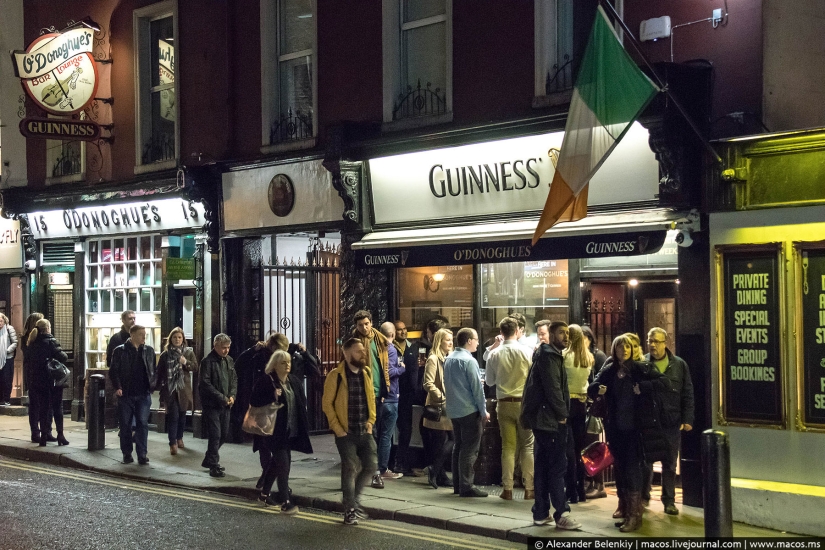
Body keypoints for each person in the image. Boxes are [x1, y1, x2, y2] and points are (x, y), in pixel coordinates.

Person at [588, 334, 672, 532]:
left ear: (633, 350)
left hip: (636, 430)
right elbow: (592, 387)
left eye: (627, 347)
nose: (624, 350)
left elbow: (665, 383)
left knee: (633, 470)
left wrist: (643, 387)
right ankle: (626, 511)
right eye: (620, 347)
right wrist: (597, 389)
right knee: (622, 470)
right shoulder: (610, 370)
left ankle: (635, 516)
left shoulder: (640, 368)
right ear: (614, 351)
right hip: (615, 429)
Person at [521, 321, 581, 530]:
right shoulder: (549, 356)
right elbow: (553, 389)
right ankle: (562, 513)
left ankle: (540, 512)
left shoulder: (547, 355)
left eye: (567, 333)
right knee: (557, 468)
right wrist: (563, 414)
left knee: (543, 467)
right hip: (551, 421)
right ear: (552, 335)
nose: (566, 336)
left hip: (544, 421)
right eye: (561, 333)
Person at [322, 338, 377, 526]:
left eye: (363, 350)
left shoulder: (366, 372)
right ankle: (350, 510)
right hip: (346, 433)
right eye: (357, 351)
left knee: (371, 466)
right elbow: (327, 405)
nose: (362, 354)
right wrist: (338, 429)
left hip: (364, 430)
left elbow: (371, 398)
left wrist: (371, 422)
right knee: (350, 468)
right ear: (346, 353)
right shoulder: (335, 376)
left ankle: (353, 499)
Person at [253, 349, 313, 515]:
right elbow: (255, 401)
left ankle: (264, 494)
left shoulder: (293, 380)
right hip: (272, 431)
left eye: (289, 362)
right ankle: (286, 502)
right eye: (283, 362)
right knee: (284, 465)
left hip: (290, 430)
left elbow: (301, 401)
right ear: (274, 365)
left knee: (276, 463)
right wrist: (272, 396)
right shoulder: (266, 381)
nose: (287, 365)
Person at [643, 327, 694, 516]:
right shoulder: (643, 363)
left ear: (666, 343)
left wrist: (688, 418)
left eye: (656, 341)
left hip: (671, 421)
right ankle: (643, 496)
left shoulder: (679, 365)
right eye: (650, 341)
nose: (653, 345)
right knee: (646, 461)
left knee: (670, 463)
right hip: (648, 421)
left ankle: (669, 501)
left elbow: (687, 393)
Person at [485, 317, 534, 501]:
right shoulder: (527, 351)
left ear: (501, 331)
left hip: (504, 402)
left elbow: (489, 381)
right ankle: (529, 489)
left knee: (508, 447)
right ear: (517, 331)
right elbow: (532, 378)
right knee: (527, 447)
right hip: (524, 403)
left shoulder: (494, 354)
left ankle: (507, 489)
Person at [443, 327, 489, 497]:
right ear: (469, 340)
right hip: (469, 410)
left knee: (459, 446)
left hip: (454, 410)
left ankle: (457, 484)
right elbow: (477, 389)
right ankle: (466, 486)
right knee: (470, 449)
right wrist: (484, 410)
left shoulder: (448, 359)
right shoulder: (469, 361)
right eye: (476, 339)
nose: (478, 342)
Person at [351, 310, 391, 489]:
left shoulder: (380, 340)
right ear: (356, 326)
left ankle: (369, 470)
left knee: (375, 432)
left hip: (377, 393)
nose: (364, 327)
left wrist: (384, 390)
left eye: (367, 323)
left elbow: (384, 367)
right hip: (360, 393)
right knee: (368, 433)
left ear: (371, 322)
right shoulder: (353, 343)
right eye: (360, 325)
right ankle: (373, 472)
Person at [110, 325, 157, 464]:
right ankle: (127, 453)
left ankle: (142, 454)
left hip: (143, 394)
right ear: (133, 335)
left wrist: (152, 386)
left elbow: (152, 370)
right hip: (126, 395)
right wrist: (118, 387)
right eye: (141, 334)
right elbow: (114, 371)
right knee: (125, 425)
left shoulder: (149, 351)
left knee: (142, 424)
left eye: (145, 334)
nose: (144, 337)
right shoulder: (120, 351)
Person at [25, 319, 70, 447]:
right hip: (53, 380)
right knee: (57, 409)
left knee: (44, 409)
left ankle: (43, 437)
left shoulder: (32, 343)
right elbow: (64, 357)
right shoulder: (51, 341)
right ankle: (60, 435)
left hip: (38, 381)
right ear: (48, 328)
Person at [562, 324, 594, 504]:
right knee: (579, 450)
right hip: (581, 405)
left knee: (568, 451)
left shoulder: (564, 356)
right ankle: (581, 489)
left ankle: (571, 491)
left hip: (567, 404)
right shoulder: (588, 357)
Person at [199, 333, 237, 477]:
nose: (226, 350)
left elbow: (234, 380)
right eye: (223, 348)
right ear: (215, 346)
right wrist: (222, 398)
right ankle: (214, 465)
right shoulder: (207, 362)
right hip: (212, 405)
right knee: (215, 435)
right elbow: (205, 384)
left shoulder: (229, 361)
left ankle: (209, 459)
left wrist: (232, 396)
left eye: (228, 347)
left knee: (224, 434)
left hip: (226, 404)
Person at [156, 327, 198, 455]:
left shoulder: (188, 352)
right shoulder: (165, 354)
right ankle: (172, 442)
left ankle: (179, 437)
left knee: (182, 415)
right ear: (171, 339)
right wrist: (158, 388)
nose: (177, 340)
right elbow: (159, 372)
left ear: (183, 339)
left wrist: (185, 362)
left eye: (179, 337)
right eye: (175, 337)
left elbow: (195, 367)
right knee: (173, 416)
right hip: (170, 389)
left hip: (183, 389)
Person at [422, 328, 454, 490]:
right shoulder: (433, 359)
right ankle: (436, 471)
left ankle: (439, 473)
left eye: (451, 339)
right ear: (439, 341)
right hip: (438, 407)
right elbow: (428, 384)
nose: (451, 342)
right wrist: (442, 398)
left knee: (446, 441)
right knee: (449, 440)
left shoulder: (448, 358)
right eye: (447, 340)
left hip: (448, 407)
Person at [580, 325, 608, 500]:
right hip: (583, 408)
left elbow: (601, 382)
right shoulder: (580, 357)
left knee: (594, 446)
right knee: (584, 446)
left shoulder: (598, 356)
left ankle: (599, 483)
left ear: (589, 339)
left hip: (594, 408)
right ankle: (588, 481)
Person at [374, 322, 405, 483]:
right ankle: (383, 469)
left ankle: (373, 467)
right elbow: (390, 372)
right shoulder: (391, 349)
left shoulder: (377, 348)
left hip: (379, 396)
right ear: (392, 334)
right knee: (386, 435)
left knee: (377, 435)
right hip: (391, 396)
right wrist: (402, 368)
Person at [392, 320, 419, 476]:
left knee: (406, 430)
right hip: (395, 393)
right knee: (395, 429)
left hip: (408, 394)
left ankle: (402, 462)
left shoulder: (412, 347)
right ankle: (395, 463)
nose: (403, 332)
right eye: (399, 330)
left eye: (404, 329)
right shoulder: (391, 349)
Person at [21, 312, 47, 442]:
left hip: (38, 375)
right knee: (35, 405)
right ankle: (35, 432)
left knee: (43, 405)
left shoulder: (41, 338)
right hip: (33, 375)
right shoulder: (28, 338)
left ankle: (45, 432)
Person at [0, 313, 20, 406]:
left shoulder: (9, 329)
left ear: (4, 320)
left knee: (7, 379)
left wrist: (7, 351)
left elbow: (15, 342)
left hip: (7, 358)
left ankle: (6, 399)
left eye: (1, 321)